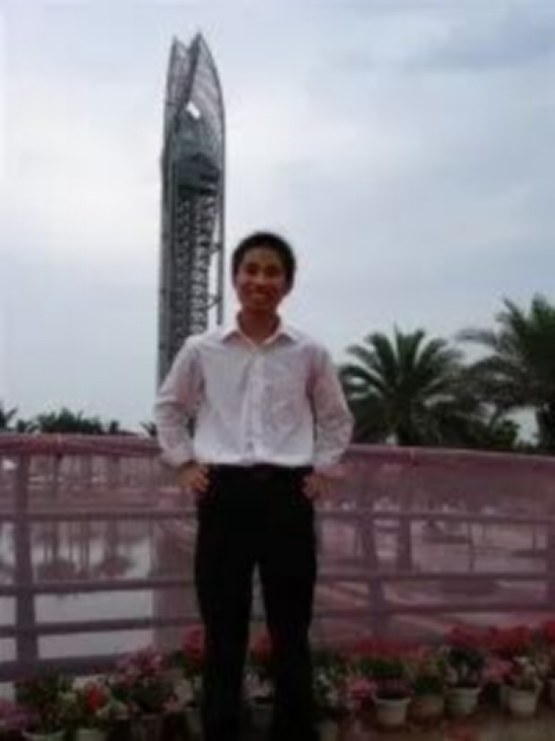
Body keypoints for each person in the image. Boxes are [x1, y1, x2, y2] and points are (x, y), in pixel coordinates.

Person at [155, 231, 353, 741]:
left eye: (272, 272)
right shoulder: (202, 349)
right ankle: (222, 730)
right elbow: (169, 408)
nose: (261, 280)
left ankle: (294, 731)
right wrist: (184, 463)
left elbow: (336, 418)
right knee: (224, 629)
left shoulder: (310, 351)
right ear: (235, 277)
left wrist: (323, 469)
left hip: (289, 497)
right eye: (251, 270)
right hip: (223, 496)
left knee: (291, 628)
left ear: (287, 284)